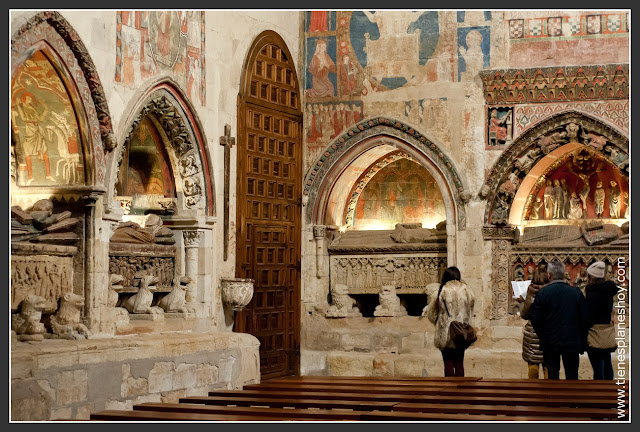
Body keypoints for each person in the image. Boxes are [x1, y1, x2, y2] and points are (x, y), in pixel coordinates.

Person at [530, 260, 588, 380]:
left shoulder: (543, 293)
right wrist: (580, 338)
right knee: (572, 375)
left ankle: (553, 398)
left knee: (552, 375)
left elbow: (535, 318)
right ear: (563, 274)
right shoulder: (576, 293)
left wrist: (543, 335)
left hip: (550, 341)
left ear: (549, 275)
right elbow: (584, 318)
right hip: (571, 341)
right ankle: (572, 398)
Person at [425, 267, 475, 377]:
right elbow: (471, 310)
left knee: (448, 363)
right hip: (461, 333)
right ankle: (460, 390)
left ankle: (449, 390)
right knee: (459, 363)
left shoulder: (442, 290)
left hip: (445, 333)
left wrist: (440, 322)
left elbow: (432, 314)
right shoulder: (467, 290)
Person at [584, 261, 618, 380]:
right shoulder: (608, 291)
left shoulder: (593, 294)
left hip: (595, 332)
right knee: (607, 363)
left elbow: (589, 315)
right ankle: (609, 390)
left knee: (598, 366)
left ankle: (600, 393)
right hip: (606, 330)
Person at [520, 265, 549, 379]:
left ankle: (533, 389)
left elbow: (524, 314)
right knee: (548, 365)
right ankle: (548, 391)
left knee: (533, 365)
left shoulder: (531, 292)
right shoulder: (551, 291)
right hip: (548, 331)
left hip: (532, 332)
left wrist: (522, 302)